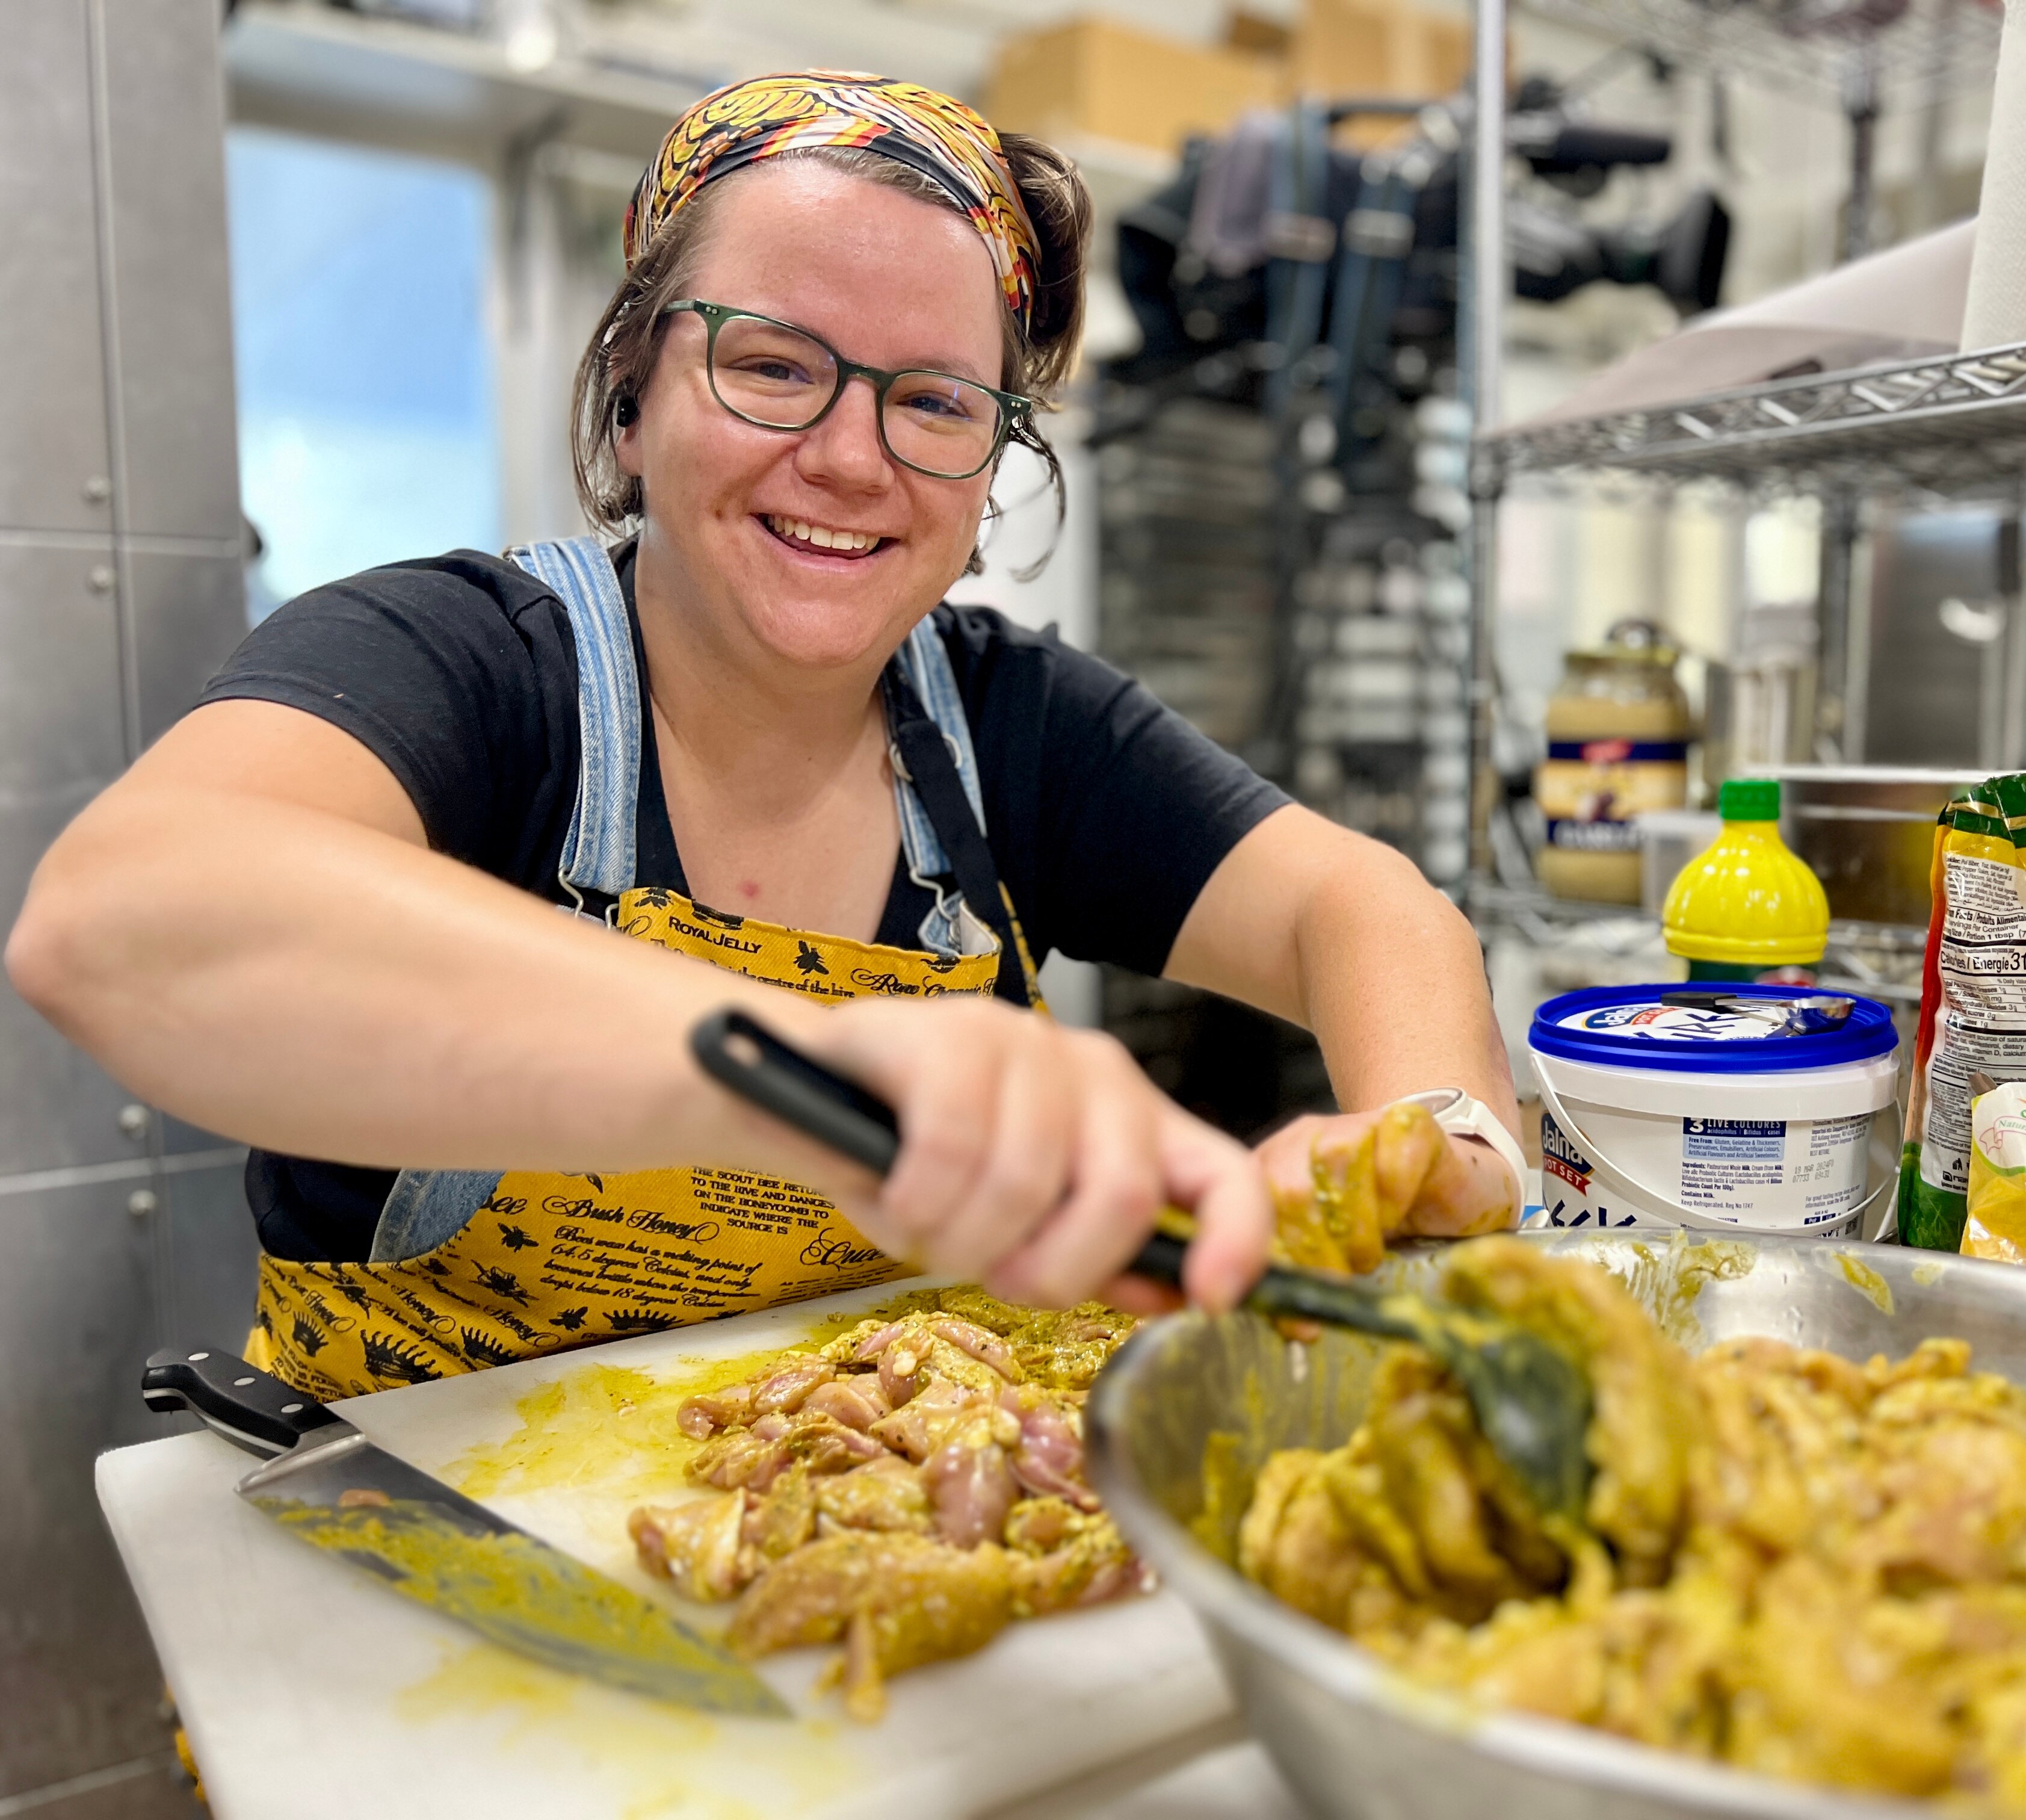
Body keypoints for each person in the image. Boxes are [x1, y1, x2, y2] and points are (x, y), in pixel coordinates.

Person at [6, 72, 1522, 1402]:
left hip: (867, 1532)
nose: (853, 460)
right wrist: (816, 1078)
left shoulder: (1013, 728)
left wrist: (1432, 1143)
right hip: (414, 1573)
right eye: (775, 367)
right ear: (629, 392)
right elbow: (122, 923)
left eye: (935, 402)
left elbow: (1366, 905)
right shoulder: (465, 666)